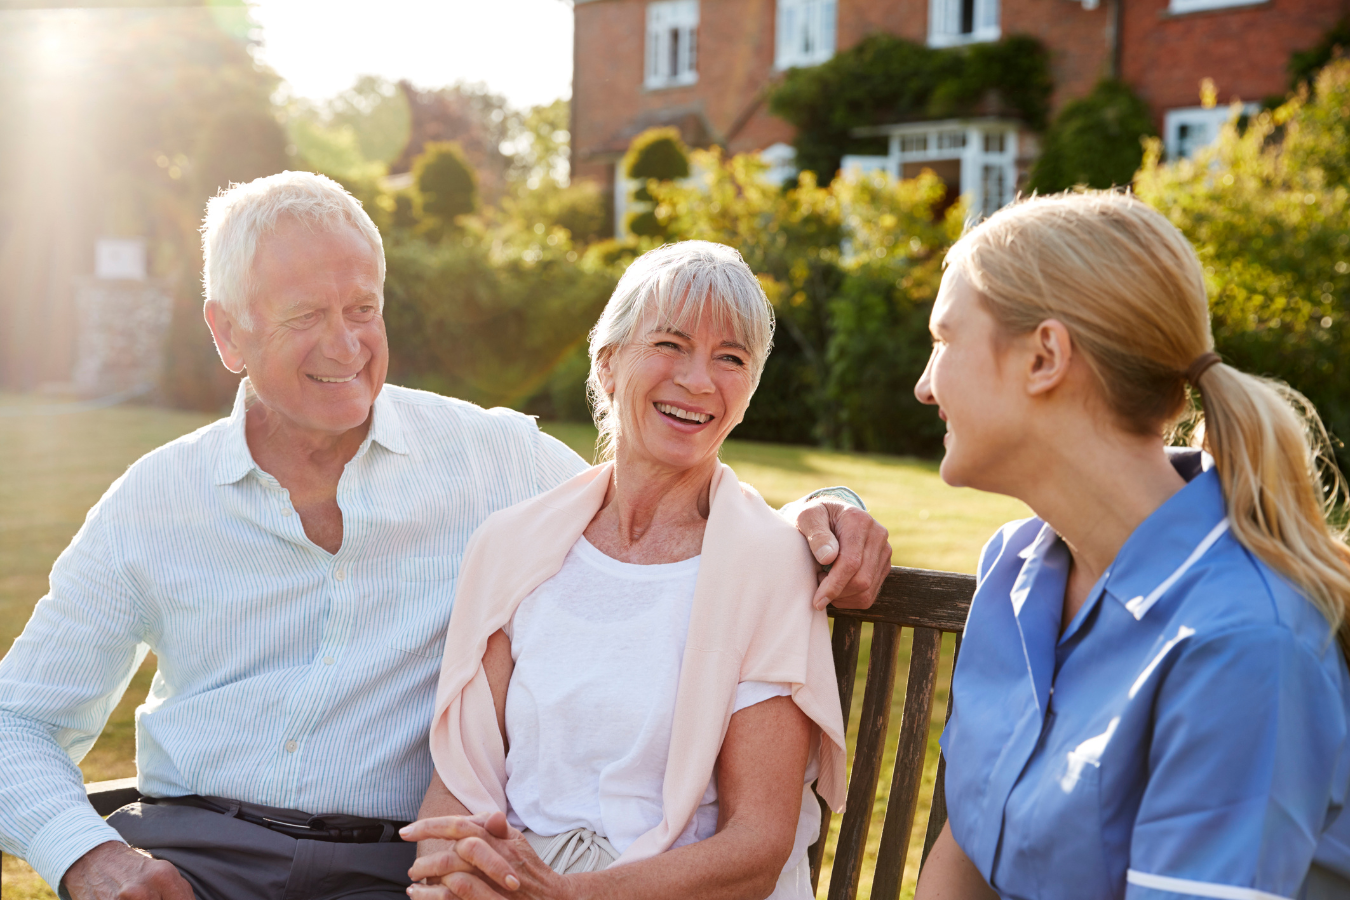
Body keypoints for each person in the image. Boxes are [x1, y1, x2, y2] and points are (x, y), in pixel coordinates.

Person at [0, 172, 894, 900]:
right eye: (305, 315)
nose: (346, 345)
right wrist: (95, 859)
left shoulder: (490, 461)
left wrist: (831, 502)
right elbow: (18, 720)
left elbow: (667, 492)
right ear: (226, 332)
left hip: (383, 871)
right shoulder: (155, 501)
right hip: (193, 860)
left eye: (363, 308)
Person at [911, 191, 1350, 900]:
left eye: (942, 340)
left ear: (1045, 357)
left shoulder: (1245, 643)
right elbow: (969, 851)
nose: (924, 385)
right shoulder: (1013, 568)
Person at [399, 241, 848, 900]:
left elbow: (757, 846)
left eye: (731, 359)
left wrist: (566, 896)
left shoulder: (769, 565)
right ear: (607, 365)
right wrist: (458, 877)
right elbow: (454, 793)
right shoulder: (513, 547)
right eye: (669, 344)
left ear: (748, 392)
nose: (699, 381)